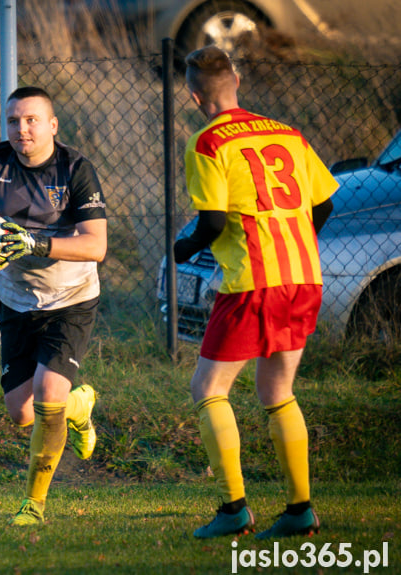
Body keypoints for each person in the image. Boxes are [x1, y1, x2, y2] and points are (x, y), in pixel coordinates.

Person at [175, 46, 337, 539]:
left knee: (207, 389)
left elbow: (213, 221)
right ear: (237, 79)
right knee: (278, 392)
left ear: (192, 93)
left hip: (254, 280)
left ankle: (234, 509)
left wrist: (184, 247)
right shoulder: (287, 133)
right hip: (304, 276)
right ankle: (299, 510)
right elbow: (324, 203)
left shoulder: (207, 144)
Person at [0, 86, 108, 526]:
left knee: (48, 397)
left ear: (53, 125)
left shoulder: (76, 169)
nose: (23, 130)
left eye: (32, 120)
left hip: (70, 297)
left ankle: (33, 505)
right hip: (16, 298)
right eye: (14, 121)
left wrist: (35, 243)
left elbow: (97, 246)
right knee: (21, 412)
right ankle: (81, 406)